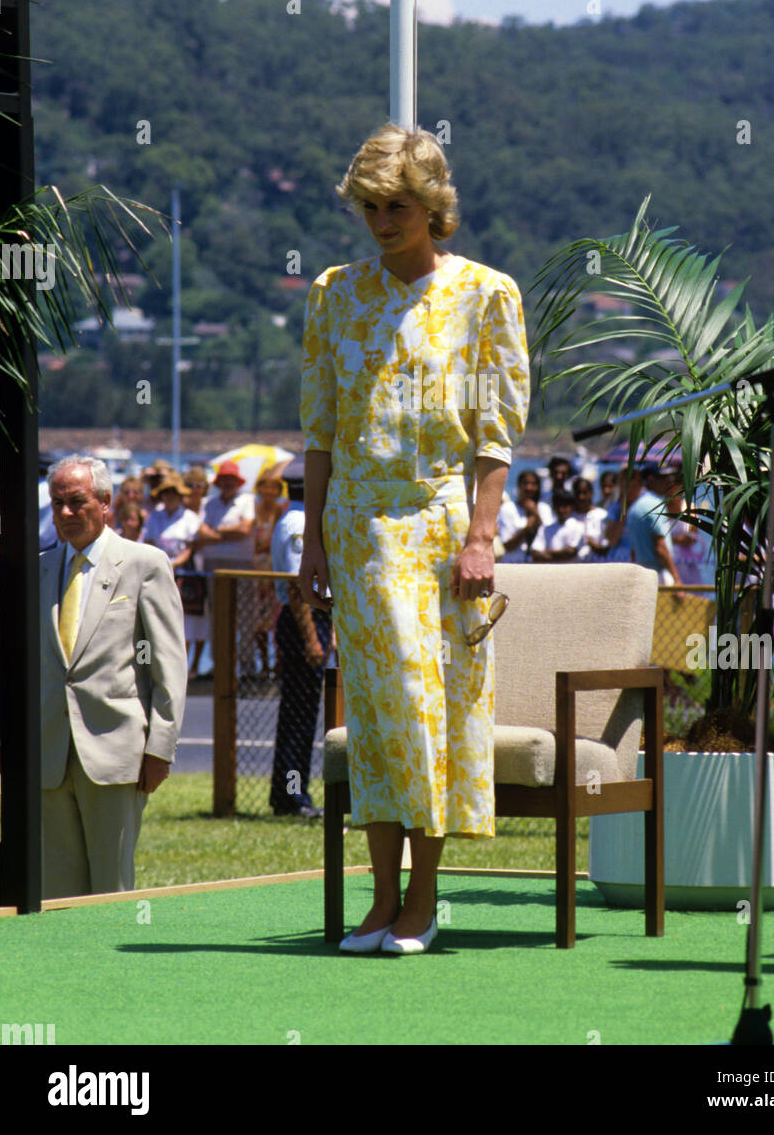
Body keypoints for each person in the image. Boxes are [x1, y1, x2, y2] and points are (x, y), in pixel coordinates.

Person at [298, 123, 530, 955]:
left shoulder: (487, 295)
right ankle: (381, 897)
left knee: (425, 707)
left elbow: (495, 435)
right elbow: (319, 430)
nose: (381, 220)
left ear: (432, 205)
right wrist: (313, 541)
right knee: (377, 714)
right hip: (354, 526)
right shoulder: (332, 292)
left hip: (438, 524)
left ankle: (423, 899)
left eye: (396, 205)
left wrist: (482, 535)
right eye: (369, 206)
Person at [38, 456, 187, 898]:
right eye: (57, 502)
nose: (65, 512)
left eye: (77, 501)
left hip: (116, 755)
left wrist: (160, 747)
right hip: (48, 757)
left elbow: (170, 666)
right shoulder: (41, 567)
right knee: (56, 892)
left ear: (106, 502)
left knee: (112, 890)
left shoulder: (145, 563)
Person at [268, 460, 332, 819]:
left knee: (301, 715)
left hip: (307, 622)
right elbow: (298, 588)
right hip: (302, 623)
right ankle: (292, 795)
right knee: (298, 717)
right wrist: (312, 639)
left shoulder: (292, 520)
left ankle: (293, 794)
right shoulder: (298, 524)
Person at [197, 460, 256, 680]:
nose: (228, 483)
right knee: (217, 617)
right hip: (215, 566)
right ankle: (219, 665)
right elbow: (202, 533)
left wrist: (218, 532)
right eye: (225, 480)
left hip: (242, 566)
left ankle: (248, 667)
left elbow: (245, 529)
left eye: (232, 479)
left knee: (246, 617)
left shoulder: (247, 501)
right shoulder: (209, 503)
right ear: (219, 482)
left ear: (238, 482)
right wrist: (230, 533)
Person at [252, 468, 289, 679]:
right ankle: (264, 665)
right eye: (264, 486)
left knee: (276, 622)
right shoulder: (255, 510)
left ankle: (278, 665)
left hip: (273, 569)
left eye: (273, 487)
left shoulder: (279, 511)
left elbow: (270, 542)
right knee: (258, 623)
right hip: (256, 570)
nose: (268, 490)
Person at [626, 463, 682, 586]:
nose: (668, 482)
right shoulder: (656, 506)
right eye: (663, 478)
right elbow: (660, 547)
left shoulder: (634, 507)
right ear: (651, 480)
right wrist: (677, 579)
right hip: (659, 575)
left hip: (641, 575)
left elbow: (633, 550)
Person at [181, 466, 211, 677]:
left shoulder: (209, 507)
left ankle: (196, 665)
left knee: (203, 616)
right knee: (184, 617)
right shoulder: (181, 509)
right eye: (191, 485)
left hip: (204, 564)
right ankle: (183, 663)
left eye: (199, 485)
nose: (195, 490)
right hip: (185, 566)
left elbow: (211, 534)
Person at [496, 468, 552, 563]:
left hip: (538, 564)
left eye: (533, 484)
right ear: (519, 486)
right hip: (513, 563)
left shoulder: (544, 509)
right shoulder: (508, 508)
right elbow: (508, 546)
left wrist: (535, 513)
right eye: (525, 483)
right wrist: (527, 528)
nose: (529, 488)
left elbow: (548, 538)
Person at [530, 488, 585, 562]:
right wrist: (560, 554)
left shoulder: (579, 526)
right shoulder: (545, 528)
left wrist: (546, 552)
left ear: (572, 507)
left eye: (565, 506)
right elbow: (535, 553)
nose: (561, 510)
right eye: (558, 506)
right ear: (553, 507)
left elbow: (570, 552)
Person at [571, 475, 610, 561]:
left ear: (591, 494)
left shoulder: (602, 515)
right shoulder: (569, 517)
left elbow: (607, 547)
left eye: (584, 493)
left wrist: (590, 543)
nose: (581, 497)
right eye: (578, 493)